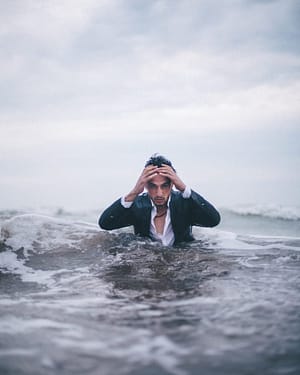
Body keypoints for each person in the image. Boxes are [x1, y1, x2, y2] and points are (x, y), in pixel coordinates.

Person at [99, 154, 220, 246]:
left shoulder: (184, 203)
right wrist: (134, 192)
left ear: (172, 184)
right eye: (152, 186)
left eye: (164, 185)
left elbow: (213, 220)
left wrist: (183, 188)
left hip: (182, 262)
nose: (159, 193)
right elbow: (105, 224)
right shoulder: (137, 205)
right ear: (145, 185)